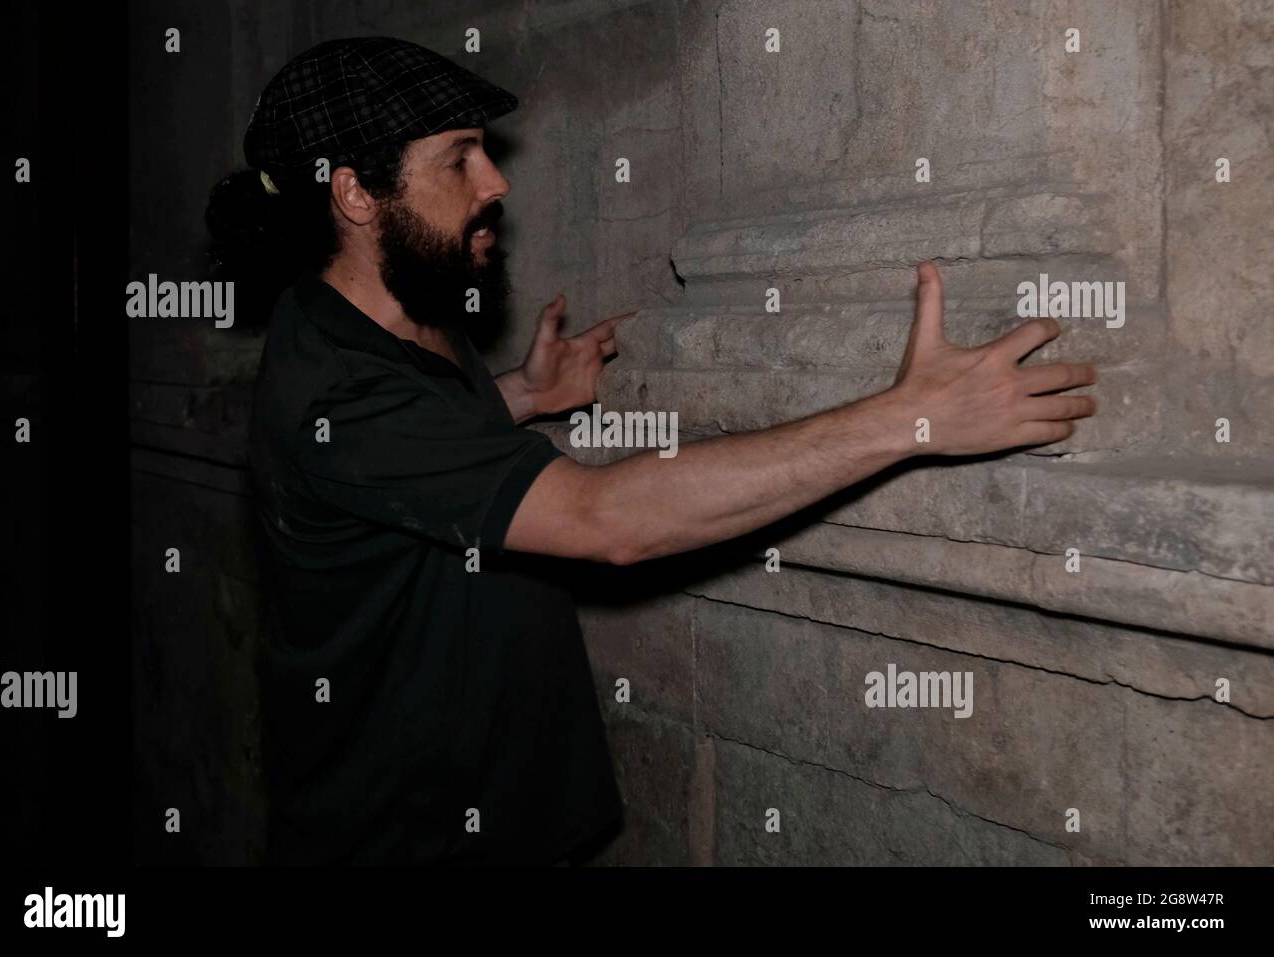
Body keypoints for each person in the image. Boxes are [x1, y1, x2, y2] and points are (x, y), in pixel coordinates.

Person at [209, 36, 1097, 867]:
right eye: (459, 158)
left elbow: (411, 457)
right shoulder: (337, 386)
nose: (495, 182)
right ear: (358, 194)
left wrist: (520, 394)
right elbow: (608, 523)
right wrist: (911, 418)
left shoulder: (398, 307)